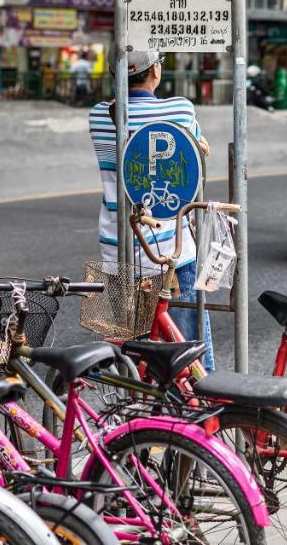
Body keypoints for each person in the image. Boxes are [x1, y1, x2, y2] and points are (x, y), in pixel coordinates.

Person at [88, 50, 215, 369]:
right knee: (191, 353)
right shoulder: (180, 109)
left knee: (125, 356)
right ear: (155, 72)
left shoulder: (98, 115)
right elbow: (201, 148)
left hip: (116, 250)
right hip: (171, 251)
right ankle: (202, 413)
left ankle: (134, 413)